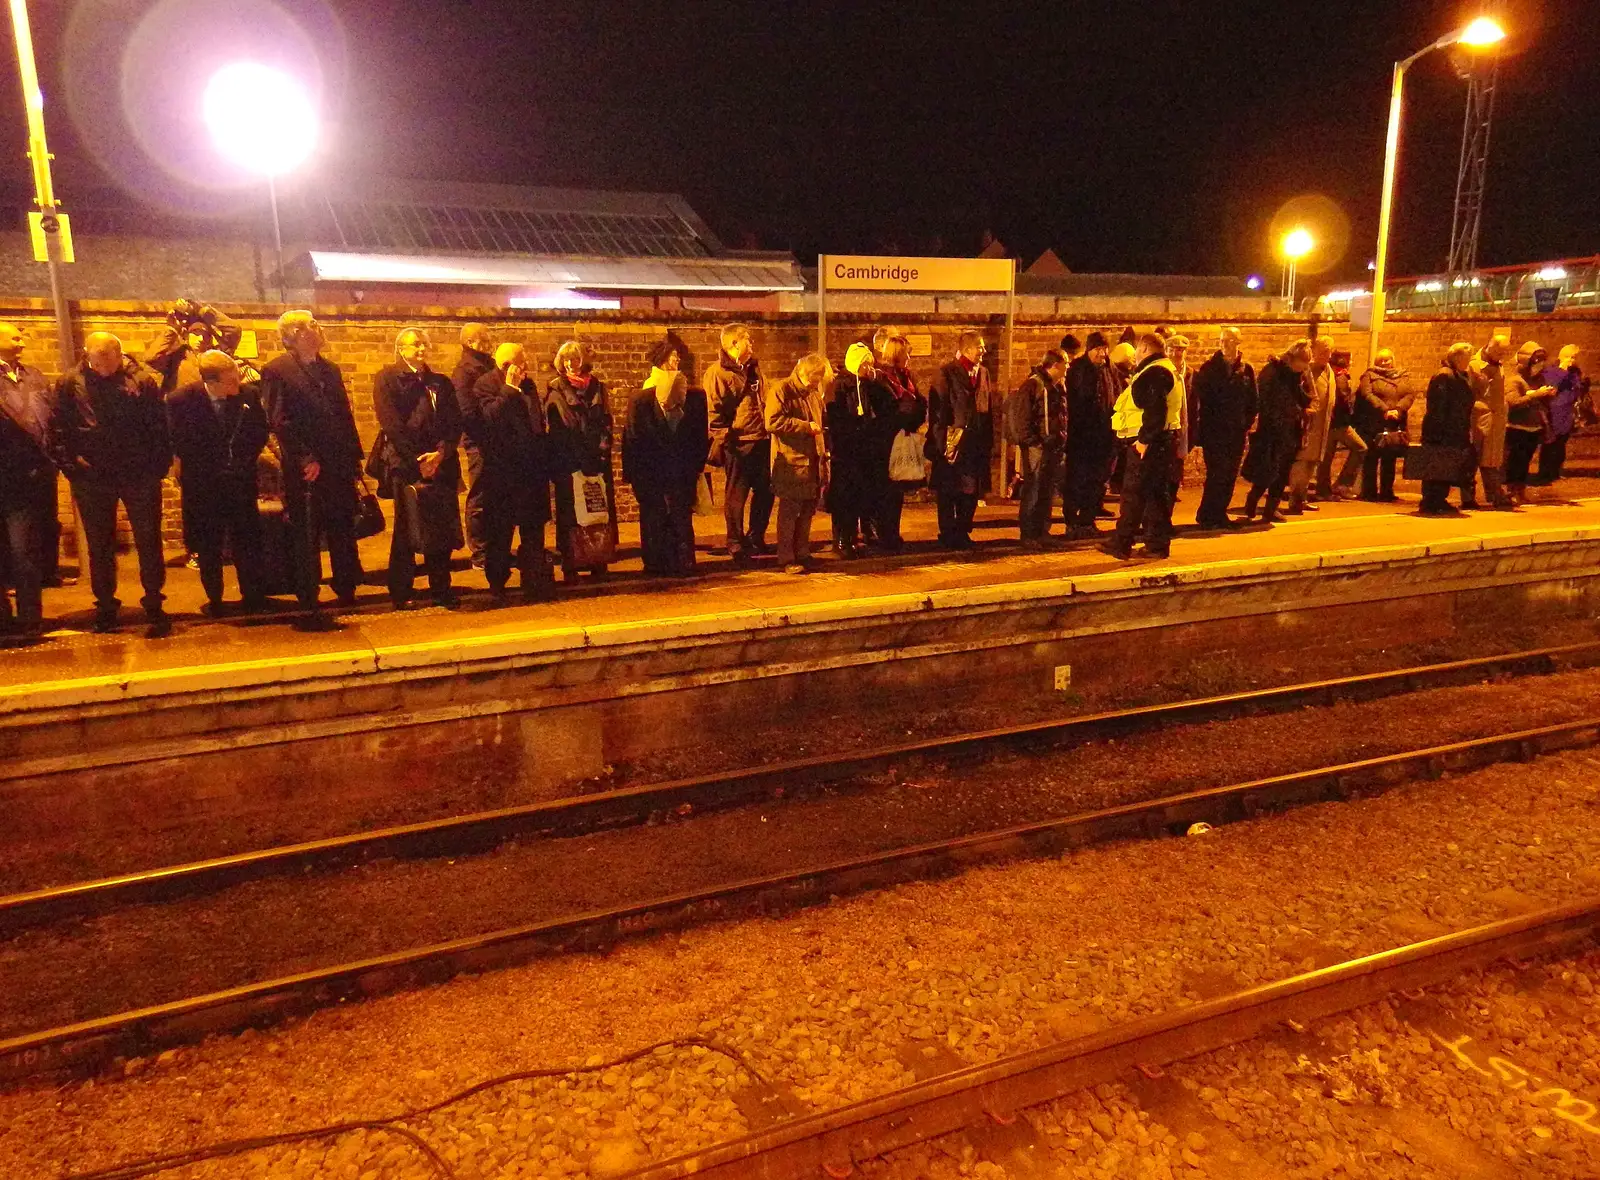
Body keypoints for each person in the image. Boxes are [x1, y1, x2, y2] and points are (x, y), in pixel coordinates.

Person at [48, 332, 172, 635]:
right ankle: (105, 605)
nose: (103, 369)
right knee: (99, 544)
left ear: (119, 355)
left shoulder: (141, 381)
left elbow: (159, 426)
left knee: (148, 539)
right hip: (92, 476)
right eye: (97, 362)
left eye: (109, 362)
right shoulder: (69, 383)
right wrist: (72, 466)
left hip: (138, 473)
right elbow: (58, 427)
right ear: (87, 355)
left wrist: (157, 466)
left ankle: (154, 601)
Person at [261, 311, 366, 620]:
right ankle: (308, 592)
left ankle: (346, 587)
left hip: (338, 464)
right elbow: (279, 420)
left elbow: (344, 416)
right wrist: (305, 457)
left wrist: (354, 459)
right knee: (307, 531)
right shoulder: (277, 371)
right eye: (312, 326)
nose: (319, 330)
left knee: (342, 527)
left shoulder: (329, 370)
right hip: (307, 468)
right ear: (295, 334)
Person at [166, 350, 270, 616]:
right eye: (230, 381)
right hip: (204, 484)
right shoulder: (182, 401)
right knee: (208, 544)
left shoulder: (247, 396)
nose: (237, 385)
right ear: (211, 382)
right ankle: (215, 598)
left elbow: (258, 432)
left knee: (246, 540)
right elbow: (180, 441)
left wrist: (244, 461)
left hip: (239, 481)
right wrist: (210, 466)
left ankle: (253, 594)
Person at [374, 328, 461, 609]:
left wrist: (441, 454)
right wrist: (417, 462)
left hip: (440, 463)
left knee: (441, 526)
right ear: (401, 349)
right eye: (415, 345)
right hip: (406, 463)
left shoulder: (440, 382)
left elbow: (453, 422)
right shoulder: (388, 379)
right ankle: (401, 589)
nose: (422, 349)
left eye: (425, 344)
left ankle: (441, 586)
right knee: (406, 526)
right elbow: (392, 424)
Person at [461, 343, 554, 600]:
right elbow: (489, 419)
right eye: (521, 364)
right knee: (501, 532)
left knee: (533, 529)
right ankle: (497, 583)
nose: (525, 369)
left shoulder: (529, 385)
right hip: (504, 472)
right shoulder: (485, 385)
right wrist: (509, 390)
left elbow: (536, 422)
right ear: (506, 365)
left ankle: (534, 580)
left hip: (531, 470)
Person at [623, 340, 709, 577]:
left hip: (681, 469)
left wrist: (696, 467)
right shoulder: (641, 400)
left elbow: (699, 437)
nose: (676, 361)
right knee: (655, 515)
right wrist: (634, 476)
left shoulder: (695, 398)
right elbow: (631, 440)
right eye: (672, 357)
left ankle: (682, 559)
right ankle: (656, 560)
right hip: (652, 470)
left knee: (681, 516)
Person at [1100, 333, 1180, 560]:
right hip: (1163, 441)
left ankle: (1121, 542)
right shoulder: (1166, 368)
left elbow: (1155, 410)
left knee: (1133, 493)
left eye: (1137, 349)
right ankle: (1156, 545)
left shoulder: (1154, 372)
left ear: (1144, 348)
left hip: (1149, 443)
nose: (1135, 354)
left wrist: (1144, 441)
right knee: (1156, 495)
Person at [0, 322, 54, 637]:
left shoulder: (32, 376)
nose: (22, 339)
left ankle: (31, 618)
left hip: (26, 478)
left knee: (25, 552)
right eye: (15, 335)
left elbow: (48, 417)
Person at [546, 340, 616, 582]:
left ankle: (598, 558)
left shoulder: (597, 387)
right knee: (571, 514)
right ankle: (572, 562)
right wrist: (573, 459)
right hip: (570, 464)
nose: (570, 364)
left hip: (596, 461)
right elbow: (557, 430)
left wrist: (602, 452)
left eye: (574, 359)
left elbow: (606, 421)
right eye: (565, 360)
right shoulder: (555, 391)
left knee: (599, 512)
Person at [706, 324, 770, 565]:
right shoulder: (718, 373)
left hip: (760, 438)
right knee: (736, 496)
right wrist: (724, 438)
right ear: (734, 344)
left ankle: (756, 536)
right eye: (747, 340)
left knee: (765, 491)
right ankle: (735, 541)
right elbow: (715, 411)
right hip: (739, 442)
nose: (751, 344)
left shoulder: (754, 368)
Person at [927, 331, 993, 550]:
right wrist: (941, 442)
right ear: (966, 349)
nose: (983, 351)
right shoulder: (947, 372)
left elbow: (987, 407)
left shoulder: (983, 373)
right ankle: (947, 532)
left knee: (971, 491)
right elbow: (938, 410)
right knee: (949, 490)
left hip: (976, 442)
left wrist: (988, 439)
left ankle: (963, 530)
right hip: (953, 442)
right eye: (979, 347)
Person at [767, 353, 830, 574]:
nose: (819, 381)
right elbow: (772, 421)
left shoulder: (812, 394)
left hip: (812, 461)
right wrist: (804, 426)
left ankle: (803, 551)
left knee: (807, 510)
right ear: (806, 373)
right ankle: (786, 557)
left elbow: (822, 420)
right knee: (789, 511)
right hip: (792, 462)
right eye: (817, 376)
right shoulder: (782, 390)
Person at [827, 342, 887, 559]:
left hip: (865, 450)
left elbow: (885, 407)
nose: (869, 368)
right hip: (845, 452)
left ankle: (854, 538)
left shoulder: (871, 386)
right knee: (844, 497)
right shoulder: (840, 386)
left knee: (860, 495)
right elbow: (836, 417)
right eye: (866, 365)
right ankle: (842, 539)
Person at [1191, 326, 1256, 529]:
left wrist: (1245, 423)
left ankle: (1219, 514)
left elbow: (1253, 400)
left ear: (1238, 342)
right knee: (1216, 473)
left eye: (1229, 340)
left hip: (1236, 432)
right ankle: (1207, 514)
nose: (1224, 344)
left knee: (1229, 474)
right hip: (1215, 432)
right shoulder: (1210, 368)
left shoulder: (1246, 369)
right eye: (1222, 340)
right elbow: (1201, 400)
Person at [1241, 339, 1312, 523]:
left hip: (1290, 430)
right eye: (1303, 363)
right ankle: (1252, 501)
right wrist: (1276, 419)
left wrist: (1303, 386)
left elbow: (1305, 399)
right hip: (1271, 430)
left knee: (1282, 472)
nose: (1304, 367)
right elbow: (1264, 400)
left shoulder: (1295, 376)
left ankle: (1271, 508)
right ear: (1293, 359)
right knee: (1268, 470)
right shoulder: (1272, 372)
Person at [873, 331, 926, 552]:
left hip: (904, 435)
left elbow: (920, 403)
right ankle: (885, 535)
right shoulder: (882, 378)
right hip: (886, 441)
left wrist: (912, 413)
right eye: (907, 355)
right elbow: (886, 410)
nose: (909, 359)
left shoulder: (906, 377)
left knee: (897, 491)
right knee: (886, 490)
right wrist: (905, 411)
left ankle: (892, 532)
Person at [1010, 348, 1068, 547]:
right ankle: (1029, 534)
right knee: (1034, 489)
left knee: (1046, 490)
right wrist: (1033, 441)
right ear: (1054, 365)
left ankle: (1042, 531)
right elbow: (1022, 417)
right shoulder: (1034, 385)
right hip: (1038, 446)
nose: (1067, 368)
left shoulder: (1056, 386)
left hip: (1052, 445)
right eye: (1064, 364)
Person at [451, 323, 496, 568]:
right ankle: (480, 552)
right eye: (485, 339)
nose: (489, 342)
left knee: (495, 497)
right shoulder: (465, 372)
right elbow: (466, 412)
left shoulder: (486, 365)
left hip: (494, 442)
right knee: (480, 496)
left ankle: (495, 548)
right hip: (480, 443)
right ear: (471, 342)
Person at [1415, 343, 1478, 515]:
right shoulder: (1444, 375)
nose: (1469, 362)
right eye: (1467, 358)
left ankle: (1438, 499)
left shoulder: (1457, 375)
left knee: (1446, 466)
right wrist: (1438, 431)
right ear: (1457, 358)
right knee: (1437, 465)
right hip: (1443, 431)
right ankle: (1431, 501)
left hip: (1454, 430)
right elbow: (1438, 406)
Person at [1065, 332, 1117, 537]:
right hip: (1082, 436)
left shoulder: (1109, 369)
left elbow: (1116, 394)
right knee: (1077, 480)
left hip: (1104, 435)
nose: (1102, 353)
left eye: (1104, 349)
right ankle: (1071, 521)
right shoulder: (1078, 370)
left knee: (1097, 480)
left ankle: (1087, 520)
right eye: (1098, 349)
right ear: (1089, 349)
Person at [145, 299, 244, 395]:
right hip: (183, 408)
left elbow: (234, 330)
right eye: (196, 334)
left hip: (211, 408)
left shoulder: (217, 356)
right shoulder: (177, 357)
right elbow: (151, 358)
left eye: (205, 335)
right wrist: (171, 329)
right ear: (187, 336)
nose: (201, 338)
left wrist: (203, 311)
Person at [1354, 348, 1412, 503]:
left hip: (1395, 422)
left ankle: (1387, 491)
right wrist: (1385, 410)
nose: (1385, 363)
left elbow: (1409, 394)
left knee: (1389, 458)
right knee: (1371, 457)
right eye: (1381, 360)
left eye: (1387, 359)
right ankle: (1369, 491)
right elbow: (1367, 394)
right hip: (1375, 422)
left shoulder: (1402, 375)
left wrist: (1399, 409)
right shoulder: (1369, 376)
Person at [1503, 342, 1556, 506]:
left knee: (1525, 462)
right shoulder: (1515, 380)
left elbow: (1541, 402)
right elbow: (1513, 402)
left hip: (1534, 428)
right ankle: (1510, 492)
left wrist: (1548, 394)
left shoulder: (1538, 379)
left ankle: (1521, 491)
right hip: (1517, 429)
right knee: (1514, 463)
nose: (1539, 367)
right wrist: (1534, 395)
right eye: (1536, 364)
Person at [1287, 338, 1335, 514]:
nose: (1326, 354)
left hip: (1322, 426)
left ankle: (1303, 497)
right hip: (1308, 426)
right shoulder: (1308, 370)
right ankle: (1295, 500)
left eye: (1329, 351)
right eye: (1323, 351)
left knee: (1311, 465)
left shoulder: (1329, 371)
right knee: (1301, 464)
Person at [1468, 333, 1514, 509]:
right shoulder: (1475, 365)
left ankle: (1495, 495)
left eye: (1504, 353)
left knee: (1492, 460)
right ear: (1490, 347)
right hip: (1480, 418)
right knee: (1474, 459)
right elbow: (1470, 393)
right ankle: (1469, 498)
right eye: (1499, 352)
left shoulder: (1498, 364)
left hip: (1496, 419)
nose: (1501, 356)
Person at [1535, 345, 1584, 485]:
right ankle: (1544, 473)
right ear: (1564, 357)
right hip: (1555, 411)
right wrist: (1563, 369)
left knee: (1561, 444)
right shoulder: (1553, 370)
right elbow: (1553, 386)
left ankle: (1555, 471)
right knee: (1551, 443)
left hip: (1567, 412)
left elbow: (1577, 387)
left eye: (1575, 358)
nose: (1574, 360)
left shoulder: (1574, 372)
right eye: (1572, 357)